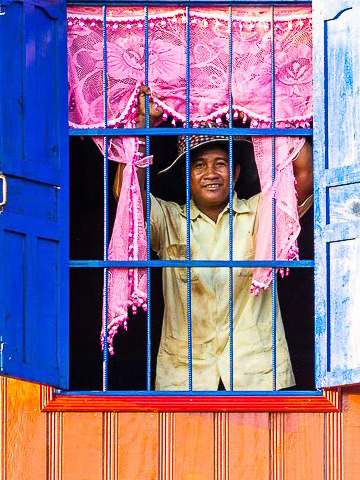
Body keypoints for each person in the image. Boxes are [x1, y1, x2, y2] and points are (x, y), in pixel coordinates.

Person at [115, 87, 313, 391]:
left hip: (256, 374)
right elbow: (127, 197)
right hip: (184, 376)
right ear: (187, 177)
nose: (211, 173)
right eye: (199, 165)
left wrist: (276, 112)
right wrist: (143, 126)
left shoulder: (260, 214)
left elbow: (303, 174)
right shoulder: (169, 220)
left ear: (234, 174)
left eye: (220, 163)